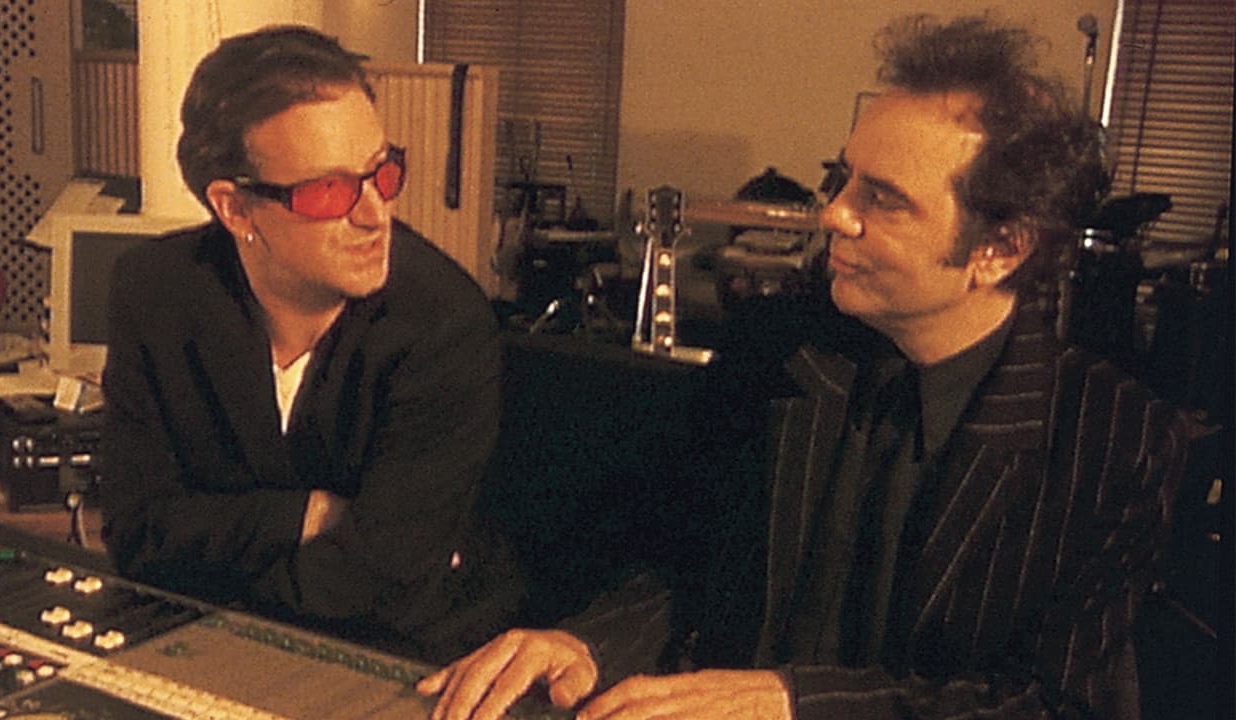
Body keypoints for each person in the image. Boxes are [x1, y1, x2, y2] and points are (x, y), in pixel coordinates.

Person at [417, 14, 1190, 719]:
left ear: (1000, 249)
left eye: (883, 198)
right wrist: (588, 643)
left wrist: (797, 703)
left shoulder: (1113, 438)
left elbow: (1051, 704)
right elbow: (678, 557)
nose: (833, 213)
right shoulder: (777, 347)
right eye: (844, 178)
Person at [100, 25, 521, 663]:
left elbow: (384, 579)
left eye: (382, 172)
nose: (374, 214)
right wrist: (311, 514)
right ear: (235, 209)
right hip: (209, 643)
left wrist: (216, 557)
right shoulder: (154, 291)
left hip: (410, 655)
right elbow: (137, 533)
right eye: (329, 190)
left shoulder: (444, 323)